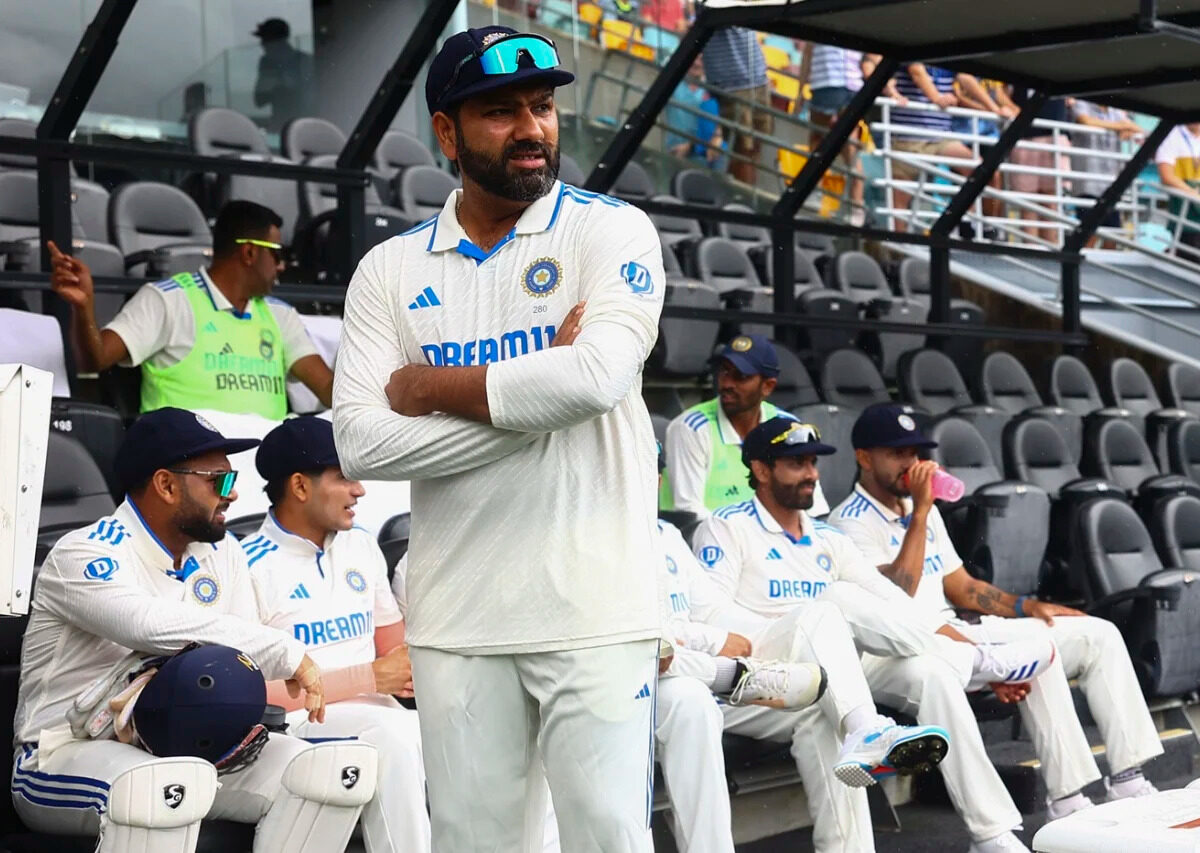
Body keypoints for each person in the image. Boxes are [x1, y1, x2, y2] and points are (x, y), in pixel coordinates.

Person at [333, 25, 665, 852]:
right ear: (446, 133)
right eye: (500, 112)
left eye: (542, 107)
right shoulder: (388, 270)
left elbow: (594, 379)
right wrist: (536, 400)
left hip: (594, 608)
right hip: (457, 618)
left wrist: (429, 388)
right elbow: (363, 444)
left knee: (608, 839)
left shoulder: (612, 231)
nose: (531, 128)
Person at [12, 407, 380, 853]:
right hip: (60, 751)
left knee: (330, 771)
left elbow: (242, 655)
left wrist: (269, 656)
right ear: (166, 485)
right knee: (159, 786)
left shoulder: (221, 552)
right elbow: (145, 623)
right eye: (218, 481)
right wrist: (284, 651)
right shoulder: (82, 553)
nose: (233, 494)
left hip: (186, 745)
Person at [694, 416, 1058, 853]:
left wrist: (960, 647)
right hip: (764, 667)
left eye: (812, 463)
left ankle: (992, 833)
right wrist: (799, 623)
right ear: (760, 469)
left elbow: (893, 605)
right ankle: (949, 680)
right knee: (830, 605)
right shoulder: (725, 526)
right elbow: (710, 614)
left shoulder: (827, 537)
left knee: (930, 674)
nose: (811, 474)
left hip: (836, 666)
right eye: (796, 464)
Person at [831, 403, 1165, 822]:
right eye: (897, 454)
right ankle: (1068, 799)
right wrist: (921, 512)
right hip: (917, 646)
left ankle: (1128, 778)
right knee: (1035, 654)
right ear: (864, 457)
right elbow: (898, 591)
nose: (911, 465)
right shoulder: (849, 523)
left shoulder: (921, 509)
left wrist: (1025, 605)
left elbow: (962, 585)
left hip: (962, 629)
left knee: (1098, 634)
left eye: (914, 453)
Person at [246, 416, 430, 853]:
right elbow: (251, 695)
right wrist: (369, 678)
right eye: (344, 477)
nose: (359, 490)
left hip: (384, 713)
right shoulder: (246, 563)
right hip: (299, 725)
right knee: (393, 736)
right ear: (300, 486)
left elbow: (395, 651)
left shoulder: (360, 544)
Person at [48, 200, 333, 418]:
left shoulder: (281, 315)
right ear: (249, 252)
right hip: (189, 466)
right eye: (277, 254)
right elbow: (95, 359)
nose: (282, 266)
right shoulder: (167, 300)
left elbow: (328, 390)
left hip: (264, 466)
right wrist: (84, 308)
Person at [661, 335, 829, 516]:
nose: (726, 383)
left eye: (741, 376)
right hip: (707, 533)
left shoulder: (787, 427)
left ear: (768, 386)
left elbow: (815, 511)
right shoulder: (691, 428)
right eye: (724, 371)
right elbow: (690, 513)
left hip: (773, 533)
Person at [798, 47, 907, 226]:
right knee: (850, 148)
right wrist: (892, 92)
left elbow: (807, 56)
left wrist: (799, 93)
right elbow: (875, 58)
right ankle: (856, 207)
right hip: (853, 89)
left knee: (817, 142)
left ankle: (814, 193)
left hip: (826, 86)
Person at [888, 63, 977, 232]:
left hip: (940, 136)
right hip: (907, 138)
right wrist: (937, 98)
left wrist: (994, 108)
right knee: (900, 198)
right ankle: (898, 246)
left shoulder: (952, 60)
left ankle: (965, 219)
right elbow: (917, 72)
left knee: (976, 167)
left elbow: (967, 79)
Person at [702, 26, 771, 184]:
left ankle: (740, 192)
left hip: (758, 77)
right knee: (742, 150)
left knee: (754, 148)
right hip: (732, 83)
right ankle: (740, 195)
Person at [1071, 100, 1143, 248]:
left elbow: (1137, 130)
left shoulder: (1115, 111)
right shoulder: (1082, 104)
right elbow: (1086, 121)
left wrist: (1125, 128)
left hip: (1110, 184)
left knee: (1113, 236)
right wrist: (1121, 126)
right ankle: (1081, 263)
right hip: (1088, 183)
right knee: (1088, 235)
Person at [252, 18, 315, 133]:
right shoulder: (267, 63)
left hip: (304, 129)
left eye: (266, 39)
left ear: (278, 41)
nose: (262, 44)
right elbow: (259, 99)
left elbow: (310, 100)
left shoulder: (304, 62)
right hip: (280, 127)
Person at [665, 57, 727, 171]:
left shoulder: (711, 89)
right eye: (694, 57)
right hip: (675, 150)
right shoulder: (673, 82)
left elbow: (717, 125)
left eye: (702, 59)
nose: (696, 63)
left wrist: (717, 136)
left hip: (701, 154)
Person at [1154, 122, 1200, 256]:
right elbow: (1167, 177)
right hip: (1186, 214)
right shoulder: (1172, 136)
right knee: (1188, 253)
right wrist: (1193, 193)